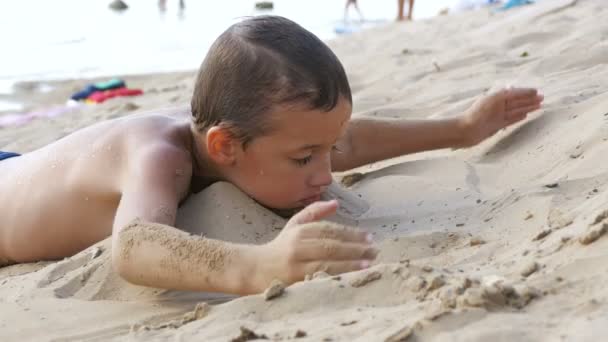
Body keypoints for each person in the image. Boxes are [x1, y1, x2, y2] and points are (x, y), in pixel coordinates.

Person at [0, 16, 543, 295]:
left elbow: (350, 140)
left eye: (324, 152)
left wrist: (461, 128)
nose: (327, 173)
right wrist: (261, 265)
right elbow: (136, 246)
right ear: (224, 146)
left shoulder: (236, 138)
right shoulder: (159, 156)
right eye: (305, 158)